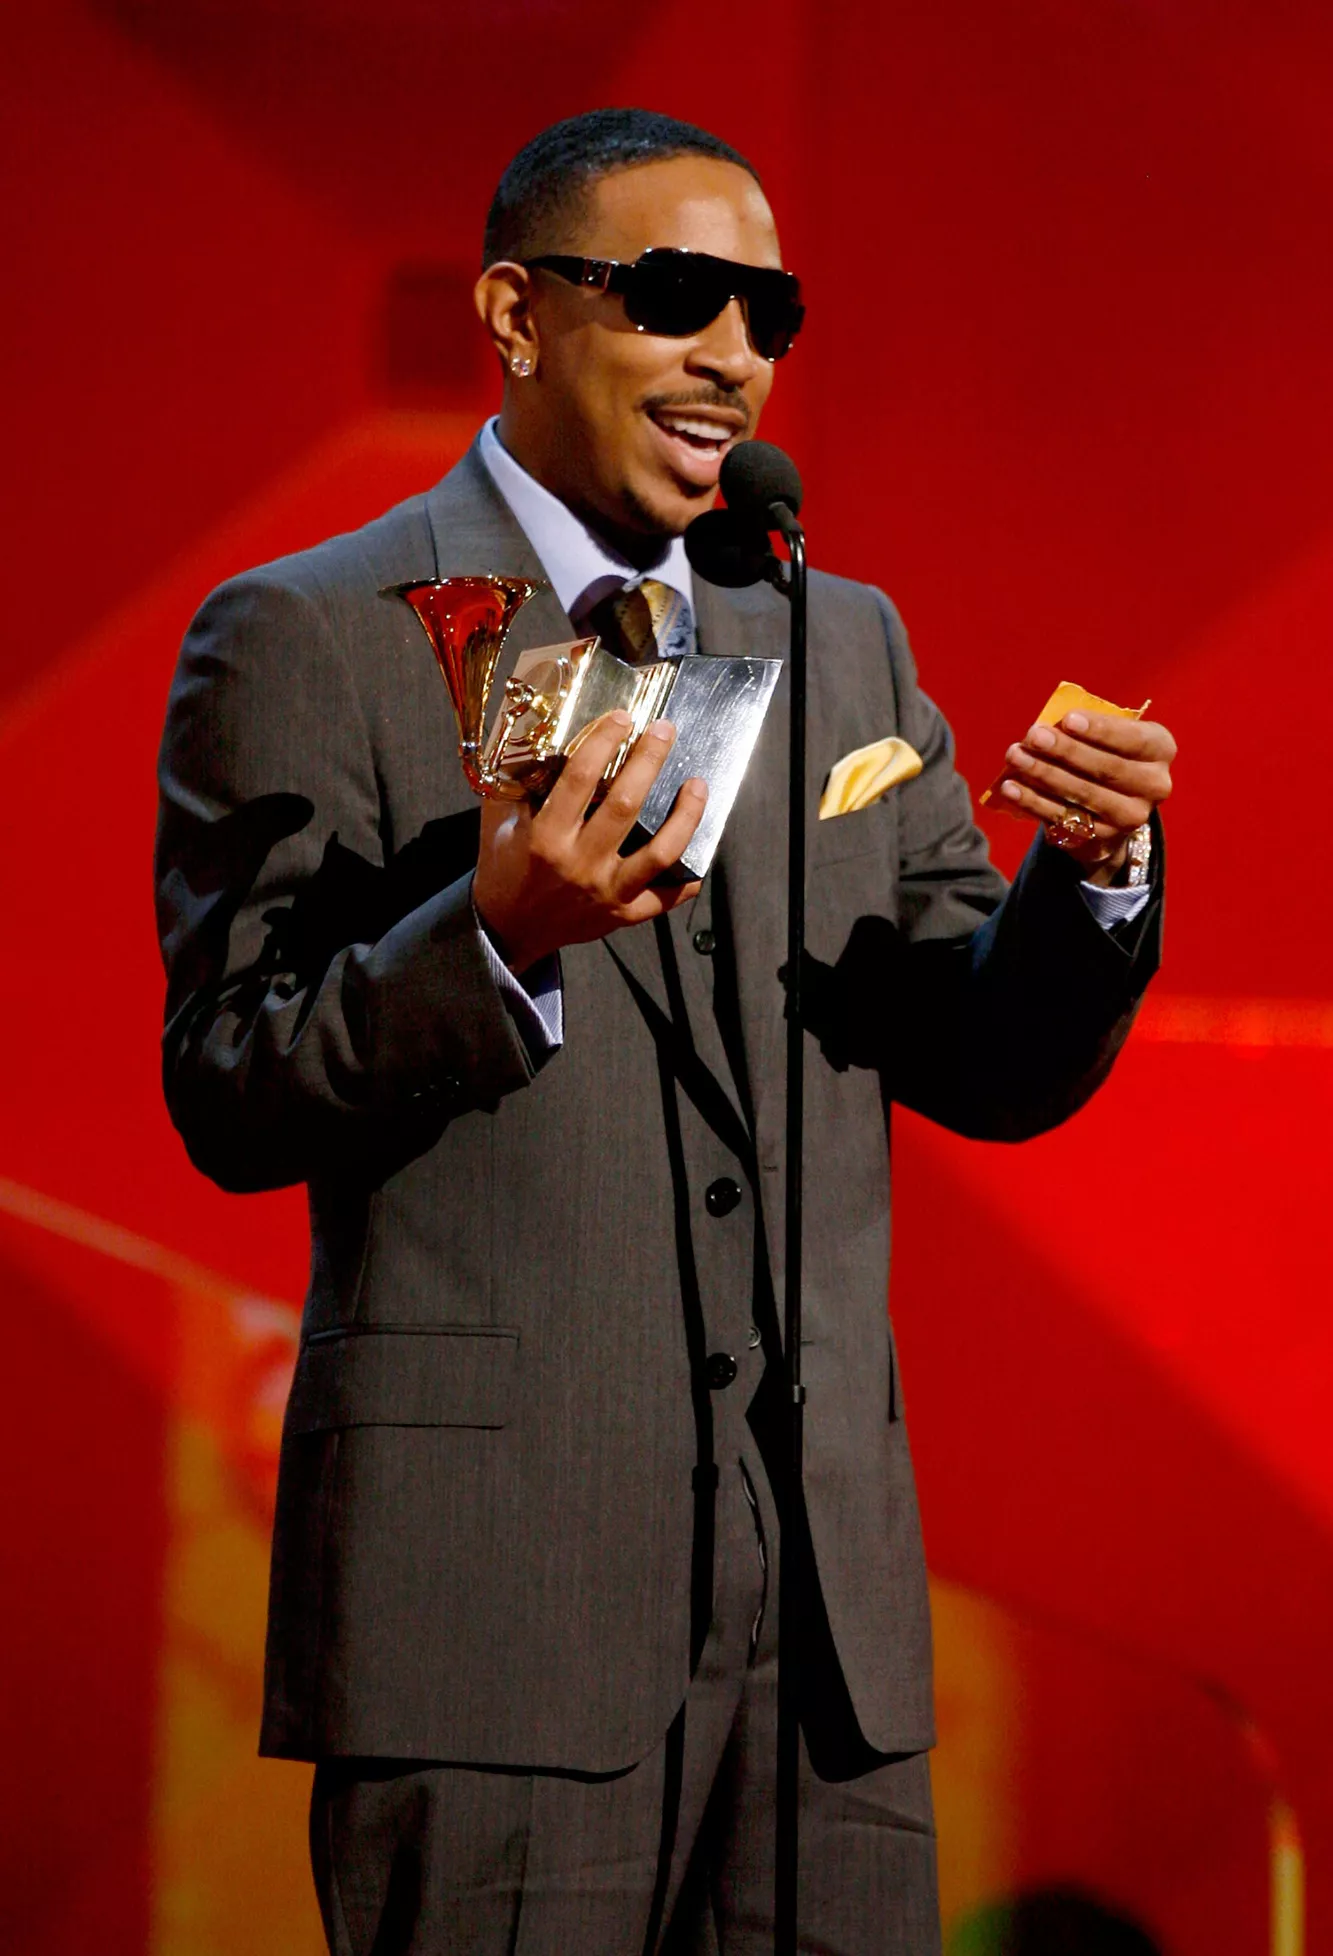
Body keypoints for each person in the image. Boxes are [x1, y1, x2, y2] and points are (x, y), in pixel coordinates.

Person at [155, 109, 1175, 1956]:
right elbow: (231, 1080)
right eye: (681, 298)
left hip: (826, 1655)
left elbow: (985, 1055)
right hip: (497, 1625)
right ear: (515, 314)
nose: (737, 357)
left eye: (767, 311)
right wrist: (490, 940)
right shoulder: (311, 633)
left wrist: (1093, 878)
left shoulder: (839, 644)